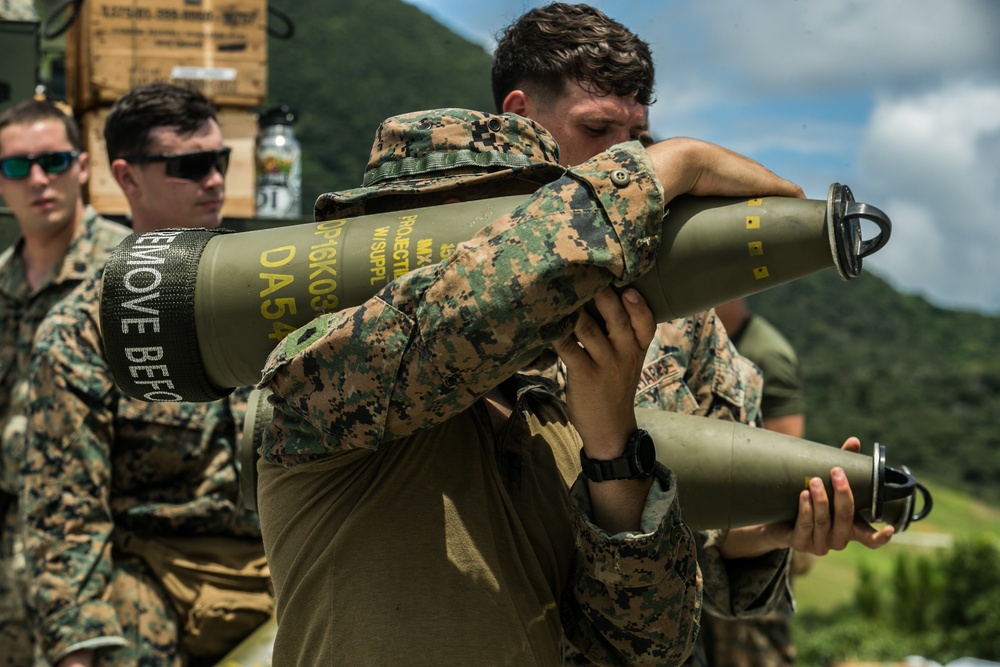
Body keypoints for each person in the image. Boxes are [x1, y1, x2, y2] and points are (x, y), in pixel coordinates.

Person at [254, 102, 850, 666]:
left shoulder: (552, 413)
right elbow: (480, 300)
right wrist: (672, 162)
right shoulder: (318, 375)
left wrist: (612, 450)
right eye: (480, 240)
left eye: (504, 230)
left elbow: (643, 647)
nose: (528, 269)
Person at [491, 4, 893, 665]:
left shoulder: (681, 313)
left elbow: (711, 538)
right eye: (596, 129)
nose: (626, 159)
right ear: (518, 117)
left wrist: (778, 528)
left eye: (640, 137)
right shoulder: (431, 276)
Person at [20, 83, 272, 667]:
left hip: (278, 556)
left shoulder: (272, 290)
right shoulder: (86, 329)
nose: (214, 180)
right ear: (128, 179)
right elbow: (64, 513)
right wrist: (79, 648)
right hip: (157, 576)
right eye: (190, 165)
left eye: (220, 160)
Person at [0, 98, 130, 666]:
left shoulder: (130, 270)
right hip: (12, 561)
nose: (36, 180)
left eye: (52, 161)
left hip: (109, 556)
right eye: (15, 167)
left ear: (81, 167)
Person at [706, 297, 811, 666]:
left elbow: (788, 465)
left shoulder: (766, 353)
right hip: (708, 540)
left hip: (755, 546)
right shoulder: (698, 340)